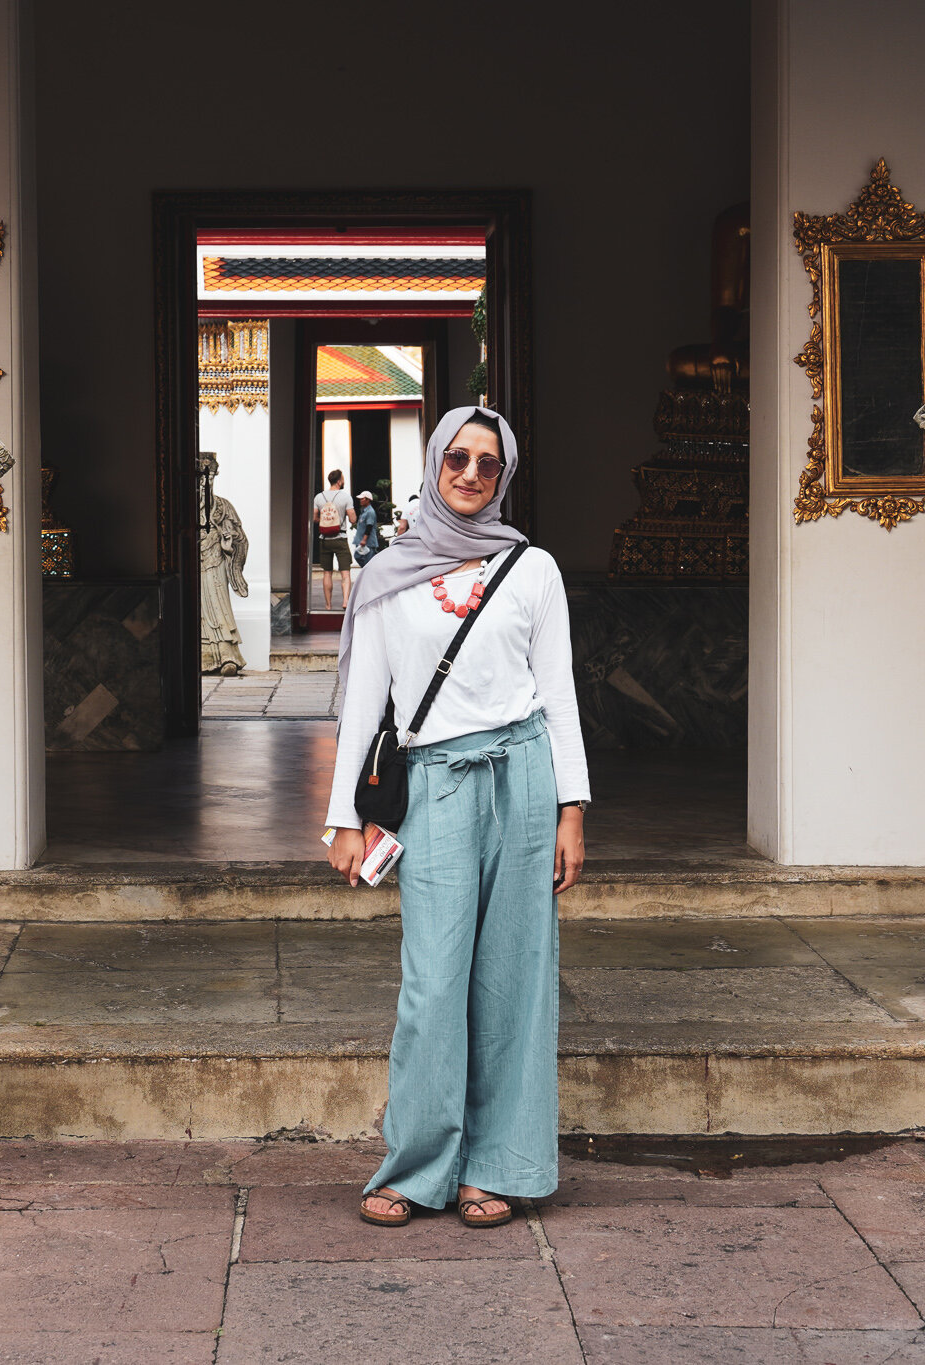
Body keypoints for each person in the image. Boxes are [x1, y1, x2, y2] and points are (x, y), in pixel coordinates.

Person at [325, 405, 589, 1230]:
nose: (472, 474)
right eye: (459, 459)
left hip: (524, 774)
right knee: (433, 981)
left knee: (514, 978)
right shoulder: (385, 574)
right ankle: (416, 1166)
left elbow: (558, 694)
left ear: (504, 475)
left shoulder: (533, 568)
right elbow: (366, 704)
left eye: (488, 463)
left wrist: (571, 809)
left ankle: (497, 1166)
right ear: (436, 463)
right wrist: (344, 817)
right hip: (435, 782)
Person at [313, 469, 352, 609]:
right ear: (339, 481)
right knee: (345, 573)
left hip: (324, 539)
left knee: (327, 573)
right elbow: (353, 519)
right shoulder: (346, 497)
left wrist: (326, 520)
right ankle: (345, 601)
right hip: (340, 537)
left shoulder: (319, 497)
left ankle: (328, 605)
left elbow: (314, 518)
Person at [351, 489, 381, 567]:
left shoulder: (370, 512)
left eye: (362, 499)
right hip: (361, 542)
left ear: (368, 500)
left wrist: (364, 539)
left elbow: (369, 526)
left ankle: (370, 576)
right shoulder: (364, 511)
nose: (360, 500)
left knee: (368, 563)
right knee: (358, 557)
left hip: (368, 543)